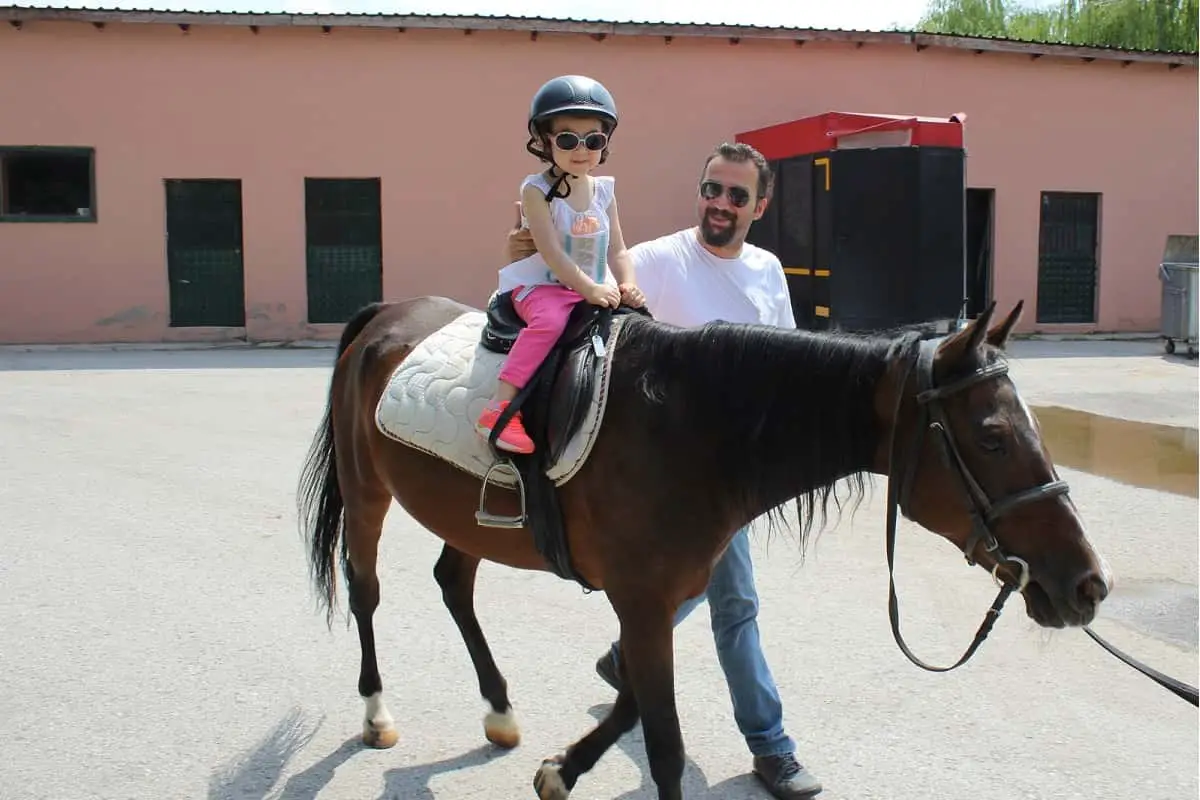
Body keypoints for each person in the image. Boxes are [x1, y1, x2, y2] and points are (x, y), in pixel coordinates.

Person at [504, 141, 823, 800]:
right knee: (736, 604)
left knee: (703, 592)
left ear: (759, 205)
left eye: (737, 195)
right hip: (673, 482)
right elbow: (583, 268)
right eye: (713, 189)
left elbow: (793, 366)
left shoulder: (767, 271)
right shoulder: (659, 259)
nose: (721, 204)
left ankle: (625, 657)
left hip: (740, 478)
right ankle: (774, 748)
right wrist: (529, 254)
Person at [476, 74, 645, 455]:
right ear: (544, 142)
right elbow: (552, 253)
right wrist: (589, 289)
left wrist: (628, 281)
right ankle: (499, 407)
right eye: (567, 139)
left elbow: (618, 248)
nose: (581, 150)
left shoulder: (604, 191)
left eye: (594, 140)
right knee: (550, 321)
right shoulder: (535, 191)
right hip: (541, 286)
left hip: (589, 287)